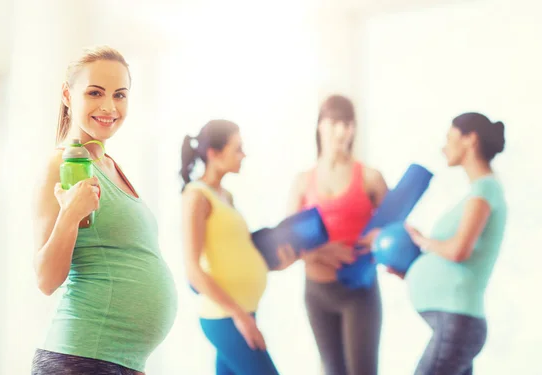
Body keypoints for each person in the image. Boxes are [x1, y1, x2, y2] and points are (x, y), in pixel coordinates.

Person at [31, 46, 177, 375]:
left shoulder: (108, 165)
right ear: (68, 95)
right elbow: (45, 279)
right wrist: (70, 214)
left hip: (120, 361)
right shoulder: (59, 164)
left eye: (120, 95)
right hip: (80, 359)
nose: (109, 106)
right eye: (95, 93)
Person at [180, 119, 297, 375]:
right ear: (214, 153)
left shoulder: (225, 195)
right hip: (225, 317)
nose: (244, 155)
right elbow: (193, 271)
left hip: (240, 313)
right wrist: (239, 316)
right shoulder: (196, 197)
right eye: (238, 148)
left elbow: (234, 253)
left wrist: (274, 264)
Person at [287, 95, 388, 375]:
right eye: (334, 123)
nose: (341, 131)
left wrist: (381, 237)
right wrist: (321, 251)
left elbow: (395, 230)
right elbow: (285, 243)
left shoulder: (370, 177)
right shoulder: (302, 181)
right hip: (316, 292)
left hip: (359, 292)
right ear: (320, 126)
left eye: (347, 124)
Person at [399, 112, 507, 375]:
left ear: (470, 140)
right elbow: (455, 260)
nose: (443, 147)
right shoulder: (479, 191)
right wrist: (411, 272)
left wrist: (421, 239)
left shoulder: (485, 191)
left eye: (450, 138)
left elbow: (459, 250)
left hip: (457, 323)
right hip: (456, 323)